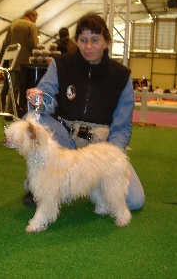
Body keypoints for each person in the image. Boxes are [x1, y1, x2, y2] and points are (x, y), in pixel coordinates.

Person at [23, 13, 145, 211]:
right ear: (77, 41)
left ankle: (87, 181)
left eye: (95, 40)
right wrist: (39, 99)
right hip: (64, 136)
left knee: (133, 201)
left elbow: (121, 128)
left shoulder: (122, 77)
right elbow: (46, 97)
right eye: (83, 40)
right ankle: (39, 184)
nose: (88, 47)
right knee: (34, 121)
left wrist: (110, 158)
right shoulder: (60, 64)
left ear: (106, 42)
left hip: (99, 145)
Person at [0, 9, 39, 116]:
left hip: (13, 61)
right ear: (31, 16)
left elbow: (6, 43)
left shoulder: (13, 24)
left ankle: (9, 109)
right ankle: (25, 109)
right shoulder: (31, 26)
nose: (35, 21)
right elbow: (34, 45)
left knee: (13, 87)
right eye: (35, 18)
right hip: (26, 63)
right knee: (26, 88)